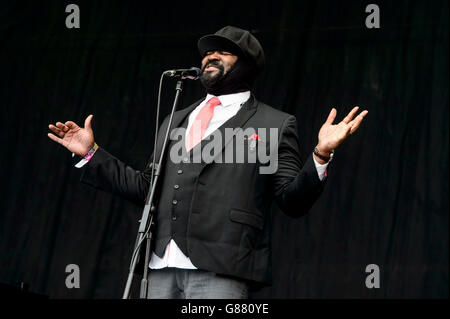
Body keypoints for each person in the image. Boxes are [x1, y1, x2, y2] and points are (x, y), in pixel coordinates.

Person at [47, 26, 368, 299]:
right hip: (158, 265)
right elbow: (148, 188)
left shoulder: (272, 124)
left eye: (223, 52)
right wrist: (91, 154)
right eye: (206, 52)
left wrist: (321, 155)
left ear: (247, 63)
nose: (209, 57)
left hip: (222, 267)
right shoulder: (176, 119)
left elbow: (290, 200)